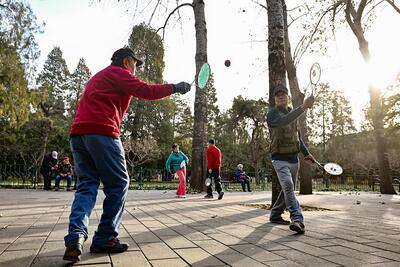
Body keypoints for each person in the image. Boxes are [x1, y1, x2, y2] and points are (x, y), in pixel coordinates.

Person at [62, 47, 191, 262]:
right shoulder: (119, 73)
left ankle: (75, 236)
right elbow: (147, 91)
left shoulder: (98, 76)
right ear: (125, 61)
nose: (135, 69)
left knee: (86, 186)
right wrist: (175, 87)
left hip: (78, 135)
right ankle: (105, 237)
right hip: (102, 132)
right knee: (119, 183)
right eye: (135, 63)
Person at [267, 85, 315, 234]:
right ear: (275, 100)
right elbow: (283, 122)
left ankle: (275, 215)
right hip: (279, 158)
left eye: (283, 95)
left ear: (288, 98)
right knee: (288, 185)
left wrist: (306, 153)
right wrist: (303, 107)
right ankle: (297, 219)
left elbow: (297, 138)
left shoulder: (292, 114)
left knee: (287, 189)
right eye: (277, 95)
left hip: (294, 159)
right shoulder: (272, 114)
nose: (281, 97)